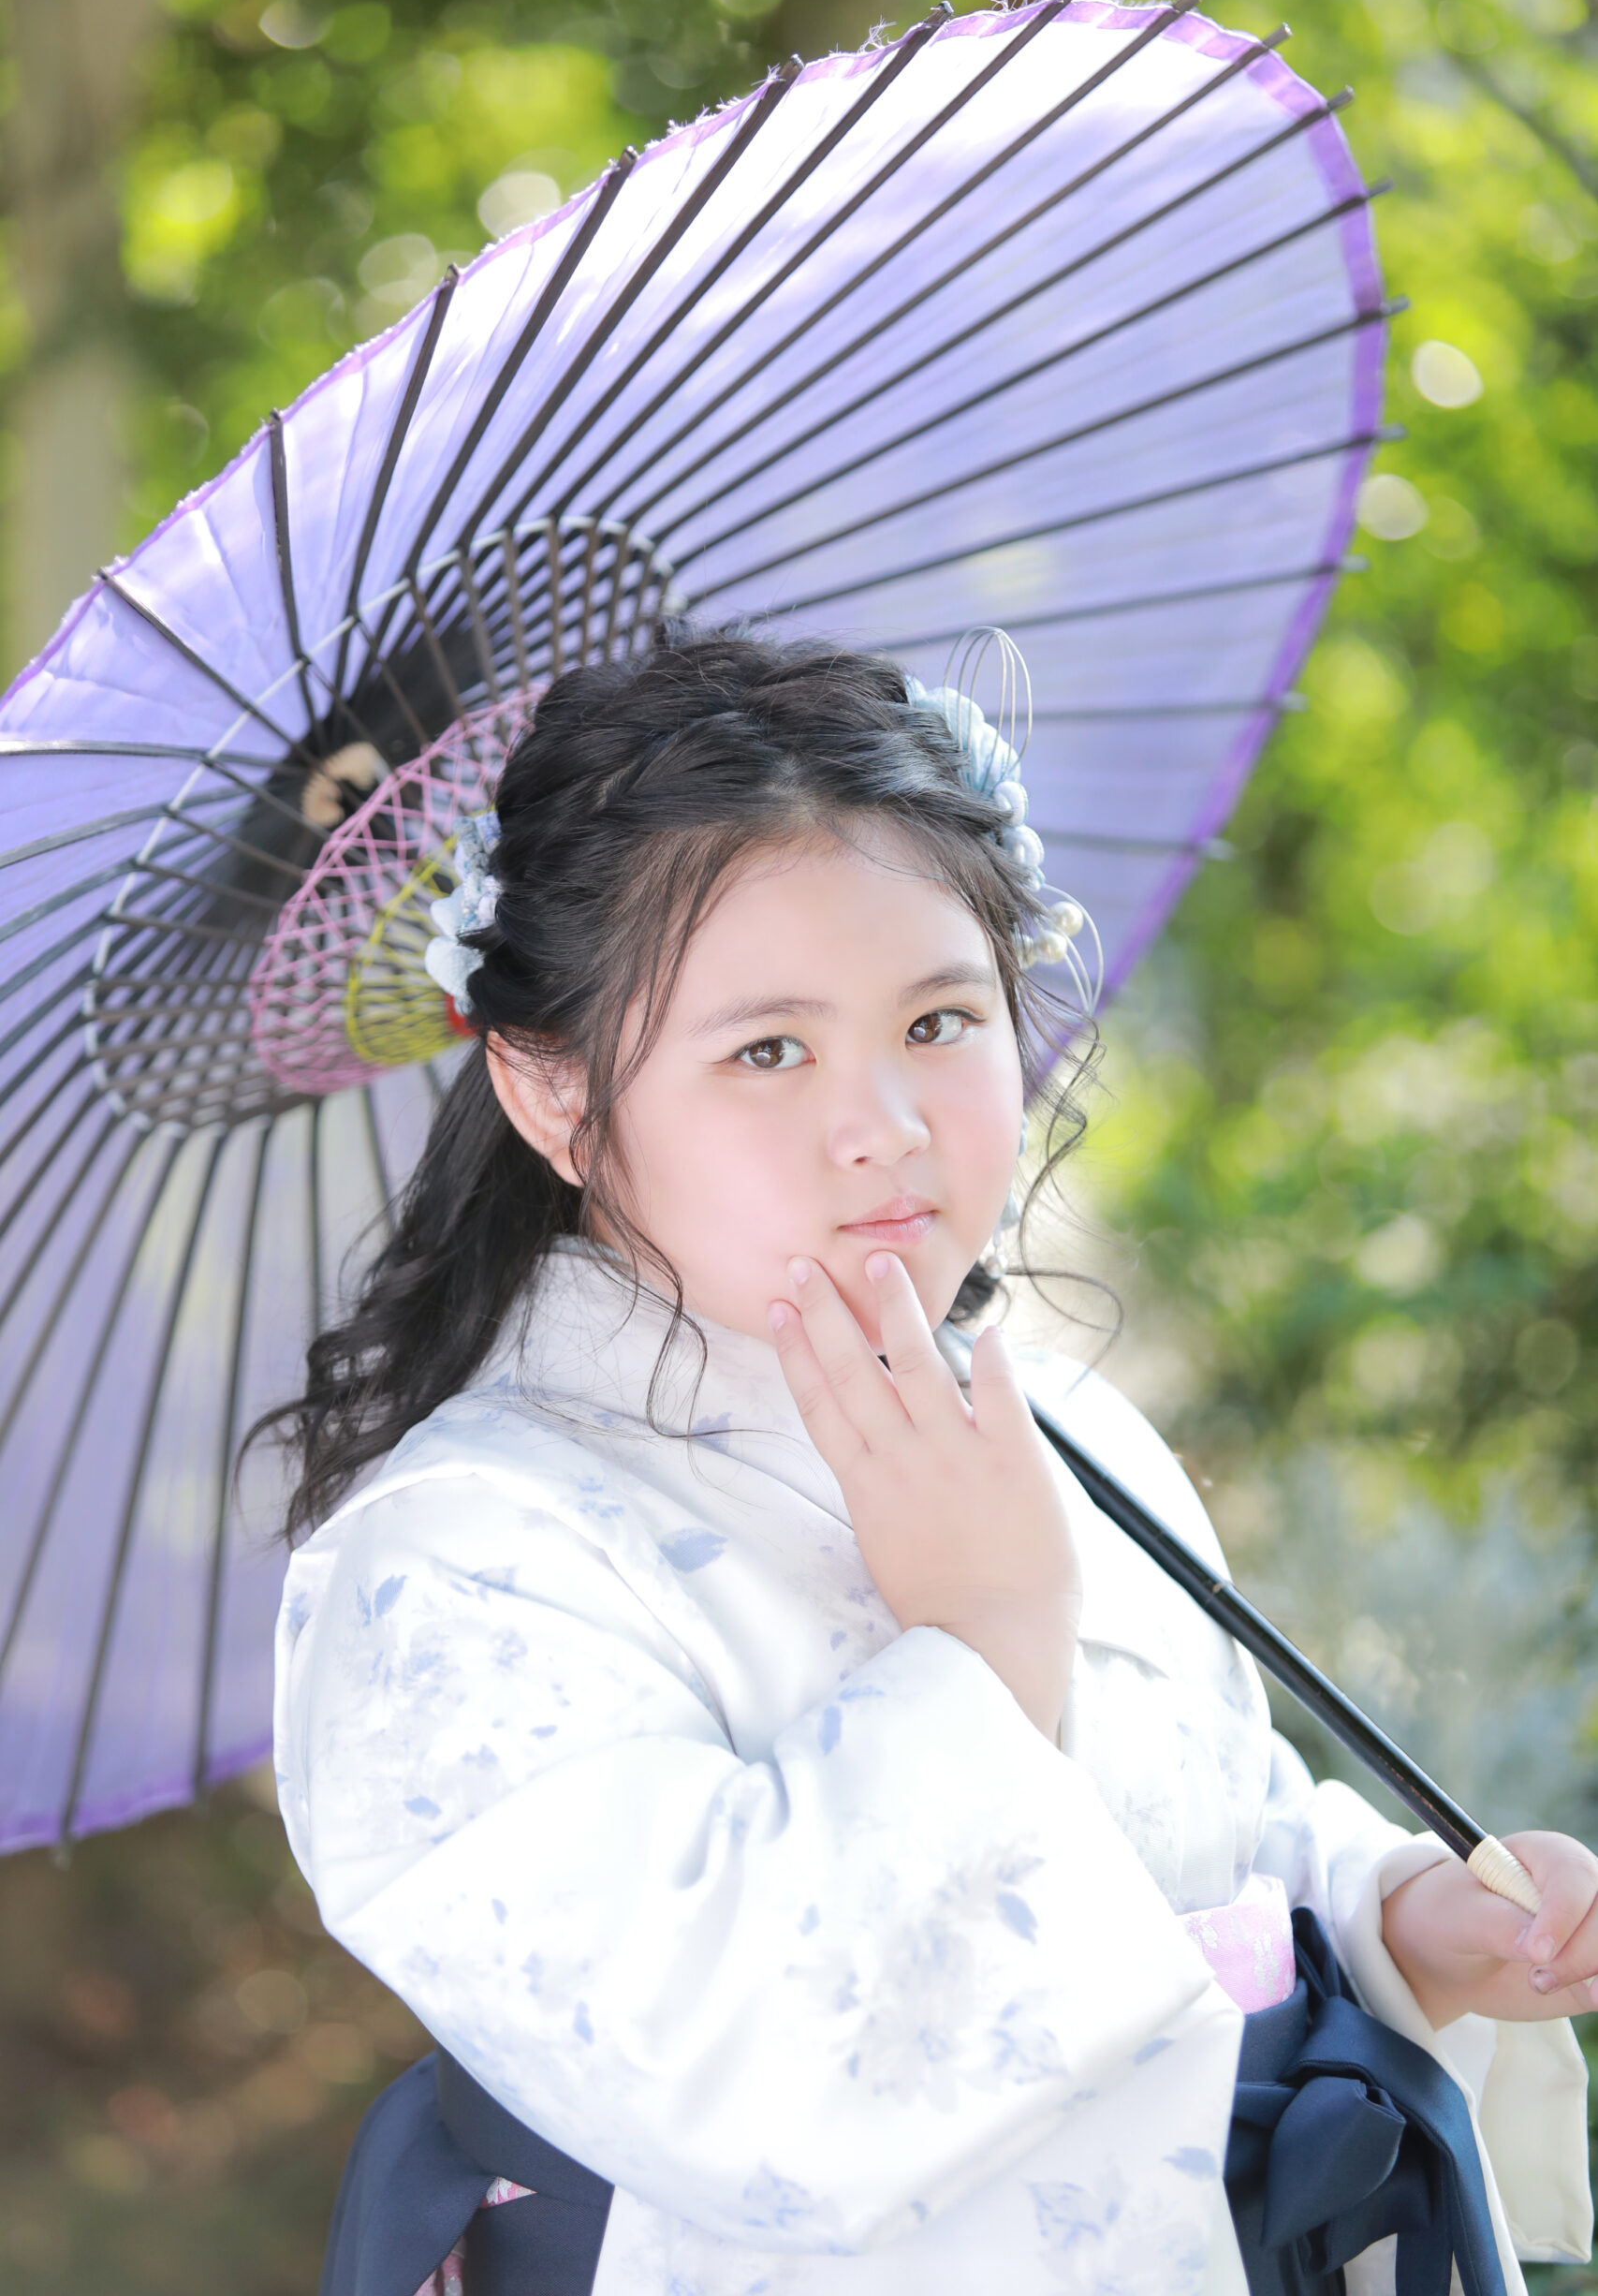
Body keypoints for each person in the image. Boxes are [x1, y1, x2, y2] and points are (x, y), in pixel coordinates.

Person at [269, 629, 1594, 2296]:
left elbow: (1213, 1829)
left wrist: (1398, 1923)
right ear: (555, 1095)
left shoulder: (1063, 1426)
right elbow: (730, 2071)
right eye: (769, 1050)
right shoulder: (460, 1558)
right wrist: (978, 1653)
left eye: (941, 1018)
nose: (887, 1125)